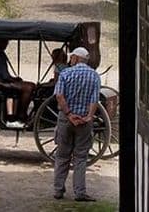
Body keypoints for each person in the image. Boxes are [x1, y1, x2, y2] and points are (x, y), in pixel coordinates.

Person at [53, 47, 101, 202]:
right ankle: (80, 192)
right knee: (81, 157)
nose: (70, 60)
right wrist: (88, 117)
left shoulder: (65, 73)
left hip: (66, 120)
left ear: (75, 58)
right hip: (83, 121)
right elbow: (94, 100)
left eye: (71, 57)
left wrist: (69, 114)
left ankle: (58, 190)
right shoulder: (94, 76)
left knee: (62, 155)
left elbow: (59, 96)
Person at [0, 40, 36, 127]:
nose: (6, 45)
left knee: (31, 86)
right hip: (1, 82)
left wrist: (13, 78)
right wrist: (8, 81)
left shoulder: (1, 54)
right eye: (4, 43)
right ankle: (20, 114)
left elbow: (5, 73)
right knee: (29, 87)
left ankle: (21, 113)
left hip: (5, 80)